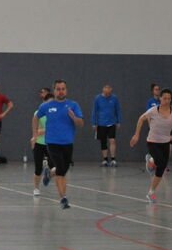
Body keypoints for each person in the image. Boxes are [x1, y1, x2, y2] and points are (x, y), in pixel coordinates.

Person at [34, 80, 83, 209]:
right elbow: (36, 117)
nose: (61, 91)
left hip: (67, 143)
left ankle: (50, 173)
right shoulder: (47, 106)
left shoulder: (73, 105)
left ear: (66, 90)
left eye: (63, 89)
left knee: (63, 169)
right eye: (58, 89)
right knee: (61, 170)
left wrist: (74, 118)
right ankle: (63, 198)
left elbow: (80, 123)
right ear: (54, 91)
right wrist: (35, 135)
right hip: (52, 142)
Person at [129, 88, 172, 204]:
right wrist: (136, 135)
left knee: (161, 168)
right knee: (160, 162)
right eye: (164, 98)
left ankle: (151, 192)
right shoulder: (153, 110)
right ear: (160, 98)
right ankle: (151, 159)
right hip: (153, 141)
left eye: (169, 99)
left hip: (165, 142)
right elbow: (141, 119)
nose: (167, 101)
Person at [91, 84, 122, 167]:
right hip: (101, 124)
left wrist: (118, 121)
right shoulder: (98, 98)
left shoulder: (114, 98)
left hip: (111, 123)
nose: (108, 95)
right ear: (103, 91)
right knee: (103, 142)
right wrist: (94, 123)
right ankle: (105, 160)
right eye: (106, 93)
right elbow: (94, 111)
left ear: (111, 91)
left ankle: (113, 159)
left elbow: (118, 110)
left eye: (109, 93)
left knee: (112, 140)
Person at [30, 87, 53, 196]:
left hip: (51, 143)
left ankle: (48, 175)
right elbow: (38, 131)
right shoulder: (38, 113)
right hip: (39, 143)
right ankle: (36, 188)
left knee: (55, 167)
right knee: (38, 168)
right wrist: (35, 137)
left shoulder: (55, 114)